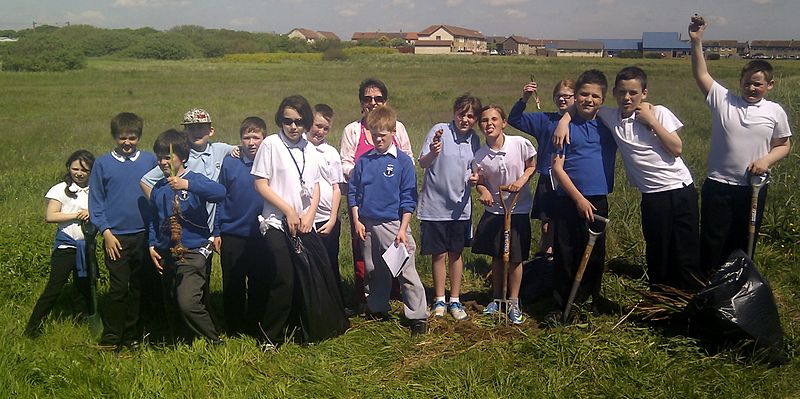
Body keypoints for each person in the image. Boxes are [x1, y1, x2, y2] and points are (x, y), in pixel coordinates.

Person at [689, 15, 792, 272]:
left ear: (769, 85)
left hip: (753, 189)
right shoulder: (724, 101)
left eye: (757, 84)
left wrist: (766, 160)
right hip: (718, 186)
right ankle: (709, 288)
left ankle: (738, 287)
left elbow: (784, 144)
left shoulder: (775, 111)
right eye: (747, 83)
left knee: (744, 241)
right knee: (713, 240)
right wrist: (696, 41)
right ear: (740, 82)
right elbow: (701, 73)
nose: (751, 88)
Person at [253, 95, 348, 347]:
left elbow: (315, 185)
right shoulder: (271, 144)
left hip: (304, 222)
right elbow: (260, 184)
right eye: (287, 121)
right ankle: (269, 337)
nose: (293, 127)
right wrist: (288, 211)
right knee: (284, 276)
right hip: (275, 221)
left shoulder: (308, 147)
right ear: (280, 120)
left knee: (309, 274)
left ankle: (305, 327)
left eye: (298, 121)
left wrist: (308, 215)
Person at [140, 108, 234, 337]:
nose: (163, 162)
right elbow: (155, 218)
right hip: (167, 250)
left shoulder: (193, 179)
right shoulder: (161, 188)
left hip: (193, 249)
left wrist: (187, 186)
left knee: (188, 301)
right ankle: (179, 340)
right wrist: (153, 244)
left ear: (182, 158)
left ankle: (213, 339)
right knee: (171, 299)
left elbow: (219, 192)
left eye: (168, 157)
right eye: (160, 157)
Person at [348, 105, 428, 336]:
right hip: (367, 223)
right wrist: (357, 220)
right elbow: (353, 192)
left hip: (394, 225)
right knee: (374, 269)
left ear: (393, 132)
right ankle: (377, 307)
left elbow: (408, 197)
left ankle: (417, 315)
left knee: (404, 270)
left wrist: (403, 229)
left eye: (383, 134)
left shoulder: (402, 162)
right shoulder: (364, 161)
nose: (378, 139)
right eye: (374, 135)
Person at [340, 78, 414, 315]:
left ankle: (400, 298)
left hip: (391, 208)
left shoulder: (397, 127)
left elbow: (408, 161)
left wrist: (383, 175)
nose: (373, 102)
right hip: (364, 205)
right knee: (367, 258)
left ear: (385, 101)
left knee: (398, 257)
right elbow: (345, 164)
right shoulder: (352, 130)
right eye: (368, 98)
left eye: (378, 98)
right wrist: (367, 175)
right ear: (361, 102)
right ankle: (368, 300)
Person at [550, 70, 617, 316]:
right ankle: (562, 304)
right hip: (568, 199)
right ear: (575, 96)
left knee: (594, 255)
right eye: (583, 94)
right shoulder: (563, 128)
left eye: (595, 96)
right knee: (565, 252)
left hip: (597, 199)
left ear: (603, 98)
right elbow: (557, 167)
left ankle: (589, 300)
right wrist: (578, 198)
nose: (589, 99)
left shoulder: (608, 124)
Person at [89, 112, 157, 350]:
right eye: (122, 138)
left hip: (144, 234)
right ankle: (111, 338)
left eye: (132, 137)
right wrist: (106, 232)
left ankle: (132, 335)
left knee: (139, 287)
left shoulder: (149, 161)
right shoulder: (102, 164)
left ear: (139, 136)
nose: (127, 143)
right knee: (118, 288)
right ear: (114, 137)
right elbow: (96, 203)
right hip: (115, 237)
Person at [418, 94, 482, 321]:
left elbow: (475, 170)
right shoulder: (439, 130)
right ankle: (439, 299)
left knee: (456, 254)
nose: (465, 119)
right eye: (462, 114)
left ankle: (455, 299)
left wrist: (476, 179)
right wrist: (434, 152)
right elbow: (423, 162)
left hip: (460, 207)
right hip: (434, 205)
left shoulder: (475, 140)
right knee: (439, 254)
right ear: (454, 112)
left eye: (471, 116)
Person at [472, 104, 537, 325]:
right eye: (484, 121)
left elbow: (531, 165)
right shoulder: (480, 155)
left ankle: (514, 300)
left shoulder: (519, 144)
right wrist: (484, 192)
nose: (489, 124)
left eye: (494, 120)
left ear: (503, 123)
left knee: (516, 258)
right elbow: (479, 181)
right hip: (495, 211)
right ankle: (497, 297)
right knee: (498, 257)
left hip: (517, 209)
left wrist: (521, 181)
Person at [25, 150, 95, 338]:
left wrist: (92, 213)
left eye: (84, 170)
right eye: (75, 168)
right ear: (69, 168)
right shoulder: (60, 189)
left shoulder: (95, 190)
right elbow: (51, 216)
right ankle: (32, 327)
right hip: (66, 247)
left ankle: (83, 321)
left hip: (86, 246)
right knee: (55, 287)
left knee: (85, 286)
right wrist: (78, 214)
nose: (79, 173)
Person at [508, 79, 576, 259]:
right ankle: (544, 260)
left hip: (572, 181)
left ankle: (563, 259)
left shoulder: (580, 122)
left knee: (566, 224)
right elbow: (514, 119)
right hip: (548, 179)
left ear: (576, 98)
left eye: (567, 96)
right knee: (546, 225)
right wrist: (524, 99)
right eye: (558, 96)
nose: (562, 100)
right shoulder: (546, 120)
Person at [213, 117, 267, 336]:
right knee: (233, 282)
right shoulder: (230, 163)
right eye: (246, 137)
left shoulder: (270, 162)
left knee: (259, 281)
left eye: (256, 137)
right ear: (240, 140)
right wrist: (216, 230)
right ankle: (234, 327)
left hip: (262, 233)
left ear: (265, 138)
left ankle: (256, 323)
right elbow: (220, 198)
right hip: (232, 232)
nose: (251, 142)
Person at [307, 104, 345, 294]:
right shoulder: (300, 149)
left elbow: (337, 187)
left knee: (330, 261)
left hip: (326, 219)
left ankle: (335, 303)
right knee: (309, 265)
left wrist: (332, 219)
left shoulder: (330, 153)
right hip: (305, 219)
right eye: (317, 125)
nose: (320, 131)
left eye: (325, 128)